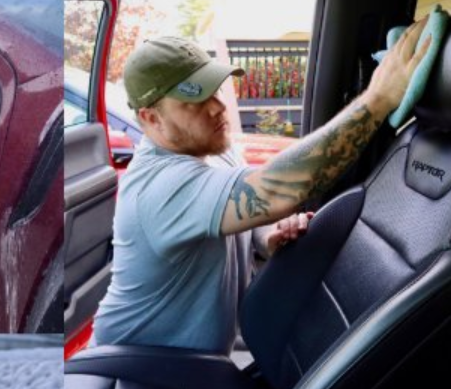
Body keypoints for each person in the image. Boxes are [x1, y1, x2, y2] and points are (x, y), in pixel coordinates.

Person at [93, 20, 431, 354]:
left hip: (188, 359)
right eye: (194, 100)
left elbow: (234, 215)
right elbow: (274, 192)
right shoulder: (159, 184)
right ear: (151, 118)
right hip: (137, 362)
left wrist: (265, 235)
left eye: (215, 89)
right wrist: (379, 98)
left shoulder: (214, 149)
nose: (218, 107)